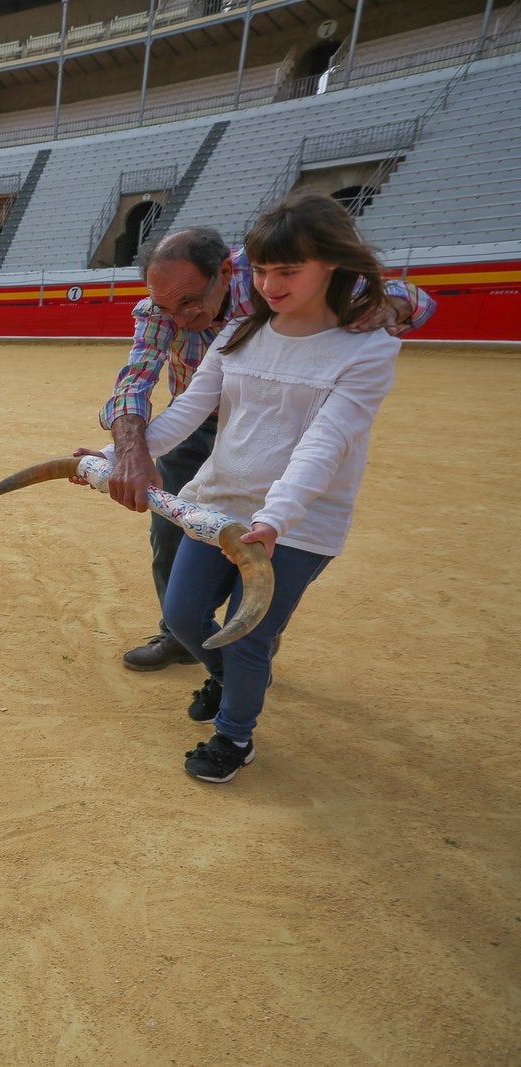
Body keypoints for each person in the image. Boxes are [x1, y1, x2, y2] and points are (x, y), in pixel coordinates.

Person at [89, 192, 402, 782]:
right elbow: (182, 415)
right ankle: (227, 678)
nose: (271, 283)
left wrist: (277, 518)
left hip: (299, 519)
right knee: (183, 616)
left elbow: (324, 444)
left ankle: (234, 736)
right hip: (217, 499)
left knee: (249, 635)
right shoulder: (238, 332)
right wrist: (116, 453)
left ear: (332, 265)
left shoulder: (369, 344)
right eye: (263, 271)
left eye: (286, 271)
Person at [100, 222, 434, 671]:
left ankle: (257, 634)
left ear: (223, 272)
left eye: (190, 302)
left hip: (277, 428)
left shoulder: (266, 273)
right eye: (166, 306)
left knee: (270, 533)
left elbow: (415, 298)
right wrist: (129, 451)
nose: (179, 318)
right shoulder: (162, 305)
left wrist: (388, 305)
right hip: (193, 423)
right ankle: (180, 632)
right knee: (169, 534)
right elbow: (135, 380)